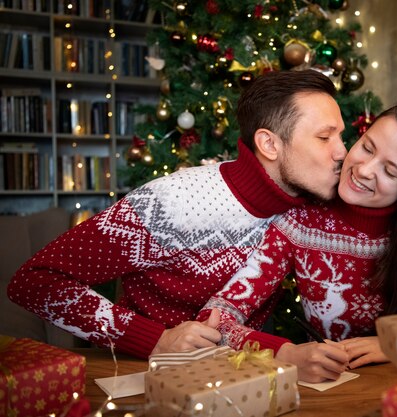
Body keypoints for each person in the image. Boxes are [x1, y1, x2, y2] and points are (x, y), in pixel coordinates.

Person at [7, 69, 347, 359]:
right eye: (324, 137)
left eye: (341, 136)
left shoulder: (308, 210)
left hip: (238, 375)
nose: (342, 152)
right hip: (139, 373)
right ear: (270, 144)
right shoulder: (172, 203)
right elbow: (36, 281)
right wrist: (154, 339)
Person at [196, 101, 397, 382]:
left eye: (390, 171)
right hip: (335, 398)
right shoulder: (299, 222)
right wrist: (284, 353)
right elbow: (215, 318)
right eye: (367, 146)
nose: (363, 169)